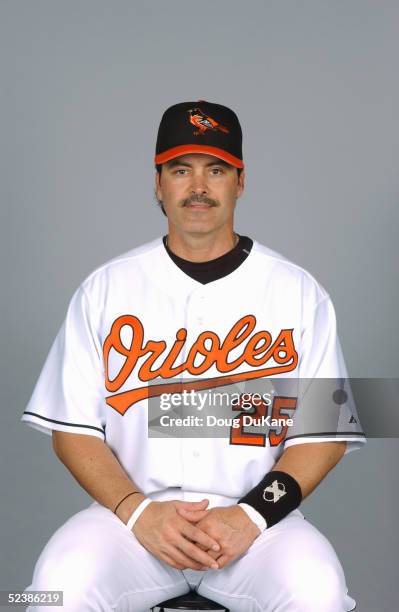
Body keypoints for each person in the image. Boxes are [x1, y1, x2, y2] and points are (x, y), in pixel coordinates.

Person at [22, 100, 366, 611]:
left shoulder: (298, 290)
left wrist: (250, 517)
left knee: (318, 592)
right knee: (56, 589)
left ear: (239, 182)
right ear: (158, 182)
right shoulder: (105, 288)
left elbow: (325, 437)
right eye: (181, 170)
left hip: (260, 526)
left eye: (216, 169)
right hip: (130, 523)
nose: (198, 186)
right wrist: (137, 513)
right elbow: (71, 431)